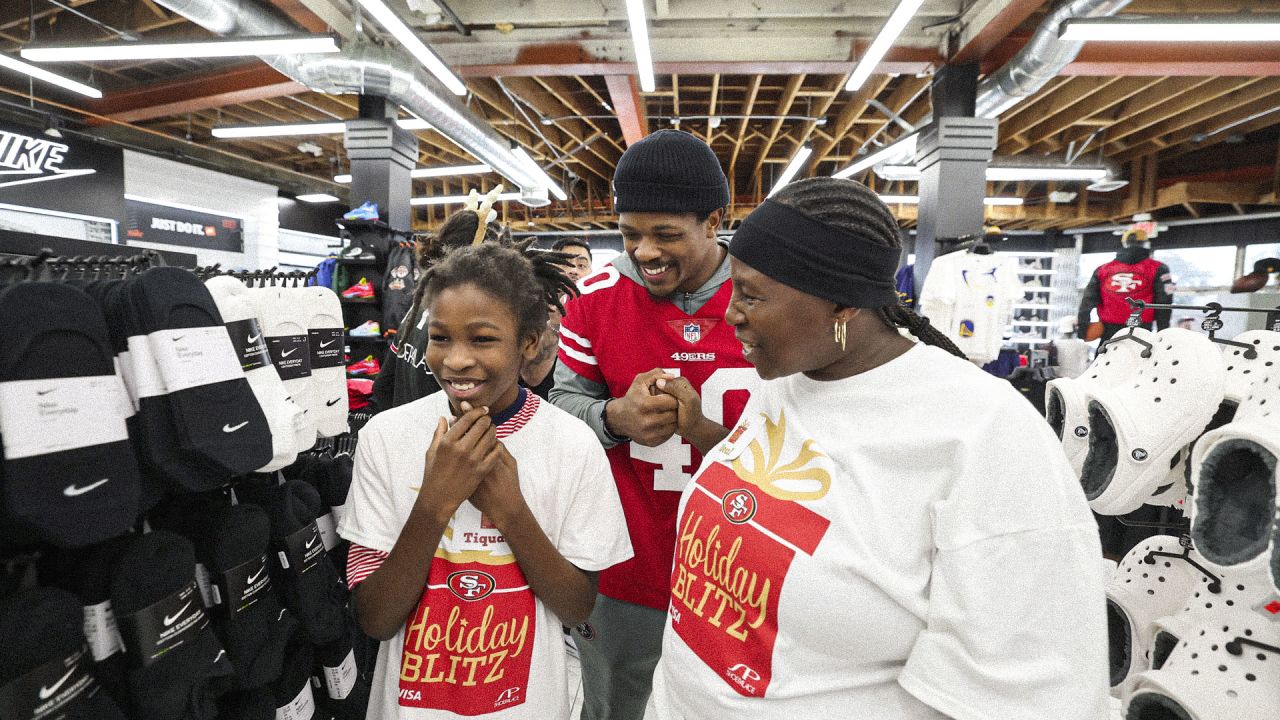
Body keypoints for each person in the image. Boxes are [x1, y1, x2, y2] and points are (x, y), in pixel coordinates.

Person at [650, 177, 1107, 719]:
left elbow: (1026, 691)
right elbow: (773, 494)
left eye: (751, 295)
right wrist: (702, 431)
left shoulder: (983, 432)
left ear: (842, 304)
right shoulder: (787, 379)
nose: (730, 314)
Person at [338, 242, 633, 720]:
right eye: (439, 337)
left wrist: (511, 509)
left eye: (481, 339)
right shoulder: (385, 437)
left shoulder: (572, 443)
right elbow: (375, 618)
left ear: (530, 343)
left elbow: (577, 606)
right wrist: (434, 503)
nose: (455, 360)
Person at [550, 129, 761, 720]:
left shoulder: (768, 293)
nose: (644, 252)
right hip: (627, 562)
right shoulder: (592, 299)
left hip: (744, 561)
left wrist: (707, 434)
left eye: (665, 234)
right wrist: (613, 417)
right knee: (617, 704)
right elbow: (560, 411)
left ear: (714, 220)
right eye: (629, 233)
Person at [1076, 228, 1173, 342]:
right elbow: (1164, 303)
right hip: (1141, 331)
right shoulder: (1159, 268)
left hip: (1109, 332)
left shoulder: (1102, 270)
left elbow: (1087, 301)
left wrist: (1082, 329)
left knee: (1106, 358)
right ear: (1146, 244)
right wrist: (1163, 333)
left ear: (1124, 243)